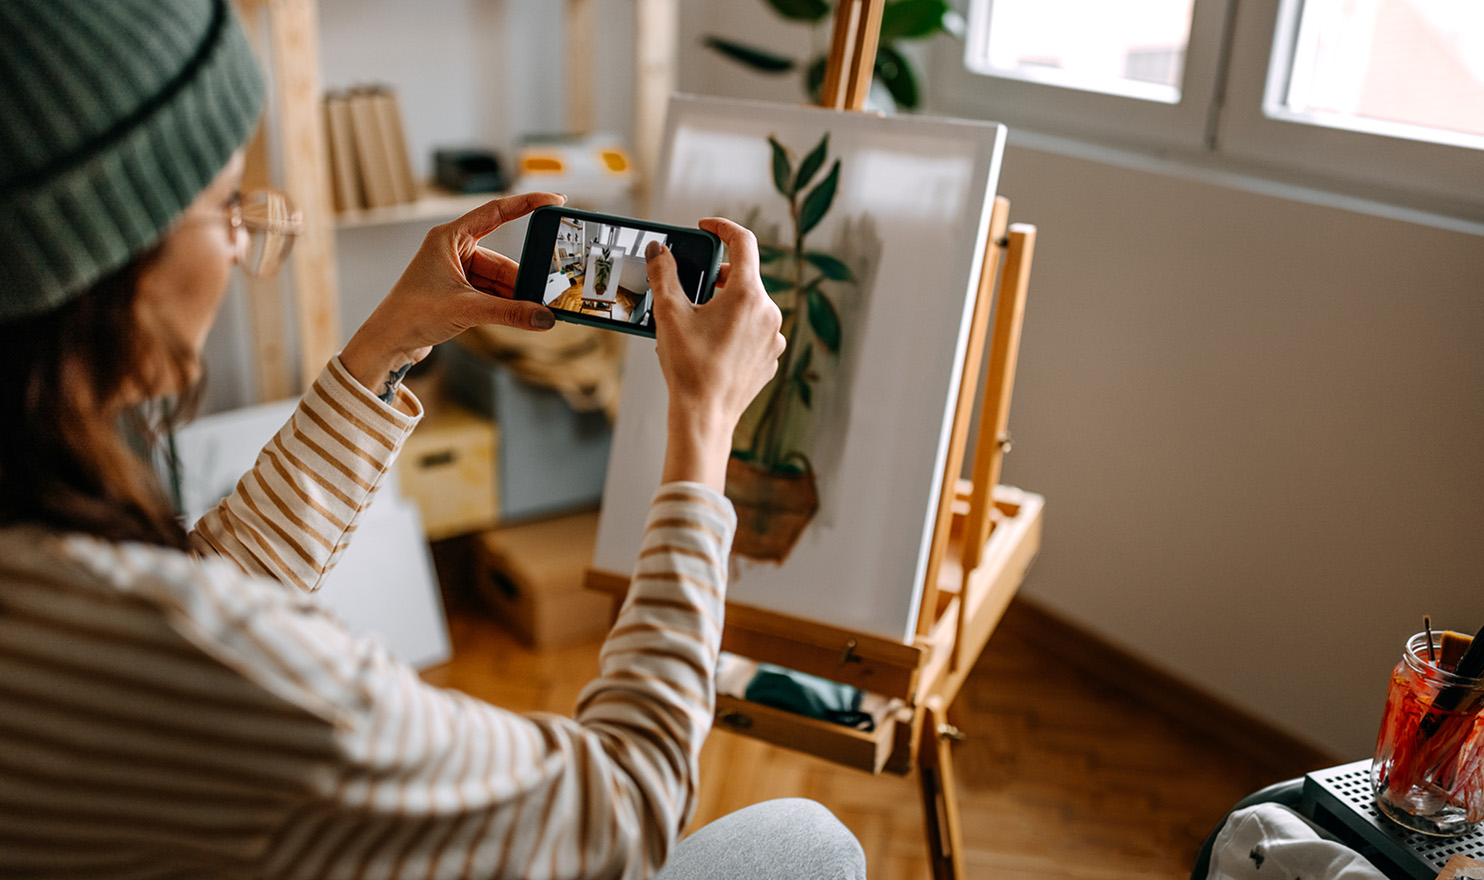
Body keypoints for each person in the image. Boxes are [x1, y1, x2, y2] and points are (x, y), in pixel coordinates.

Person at [0, 1, 867, 877]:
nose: (239, 242)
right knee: (809, 844)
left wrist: (389, 343)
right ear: (96, 259)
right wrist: (706, 427)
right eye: (226, 206)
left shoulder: (56, 576)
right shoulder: (212, 664)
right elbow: (621, 807)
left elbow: (203, 583)